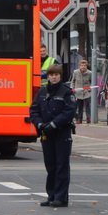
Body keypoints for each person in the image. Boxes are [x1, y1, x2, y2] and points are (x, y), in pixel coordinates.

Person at [29, 63, 76, 207]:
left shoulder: (66, 92)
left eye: (56, 75)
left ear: (60, 76)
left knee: (61, 165)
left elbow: (69, 111)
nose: (53, 78)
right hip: (46, 133)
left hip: (61, 133)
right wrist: (39, 124)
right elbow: (34, 110)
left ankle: (61, 197)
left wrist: (54, 124)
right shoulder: (43, 92)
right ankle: (51, 195)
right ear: (48, 76)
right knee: (50, 165)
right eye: (51, 75)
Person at [70, 59, 92, 123]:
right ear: (79, 66)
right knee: (80, 106)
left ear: (86, 66)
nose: (83, 67)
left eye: (84, 65)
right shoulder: (75, 72)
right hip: (78, 92)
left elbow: (92, 82)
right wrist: (72, 88)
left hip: (86, 91)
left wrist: (90, 88)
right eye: (81, 65)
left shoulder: (90, 73)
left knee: (87, 105)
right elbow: (73, 81)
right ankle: (79, 119)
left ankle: (88, 118)